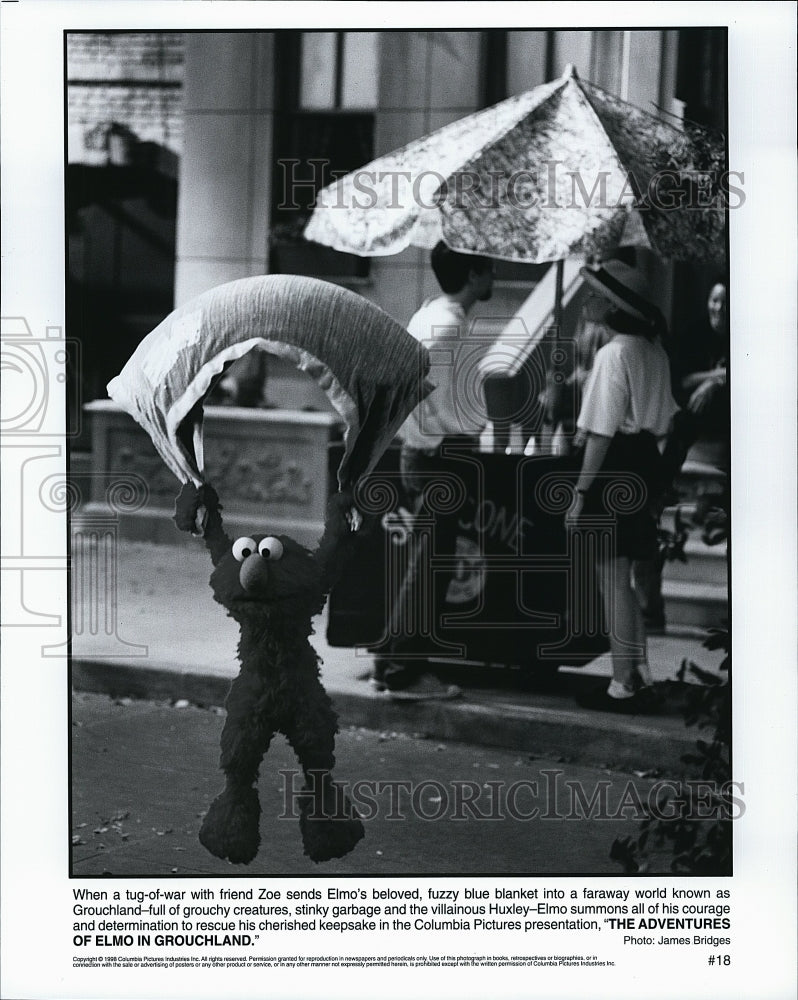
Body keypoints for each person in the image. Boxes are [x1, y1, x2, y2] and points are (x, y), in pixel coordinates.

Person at [370, 242, 495, 700]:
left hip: (426, 454)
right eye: (490, 269)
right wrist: (463, 429)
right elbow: (441, 403)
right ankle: (403, 668)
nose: (494, 277)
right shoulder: (447, 328)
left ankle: (393, 662)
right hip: (440, 457)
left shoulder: (429, 316)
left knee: (426, 564)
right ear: (475, 274)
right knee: (429, 567)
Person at [565, 260, 678, 712]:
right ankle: (638, 673)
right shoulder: (655, 351)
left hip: (614, 467)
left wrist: (579, 493)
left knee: (611, 579)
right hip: (644, 464)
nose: (589, 300)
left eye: (595, 294)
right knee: (625, 578)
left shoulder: (613, 354)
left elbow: (600, 433)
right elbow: (667, 421)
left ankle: (621, 682)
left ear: (614, 305)